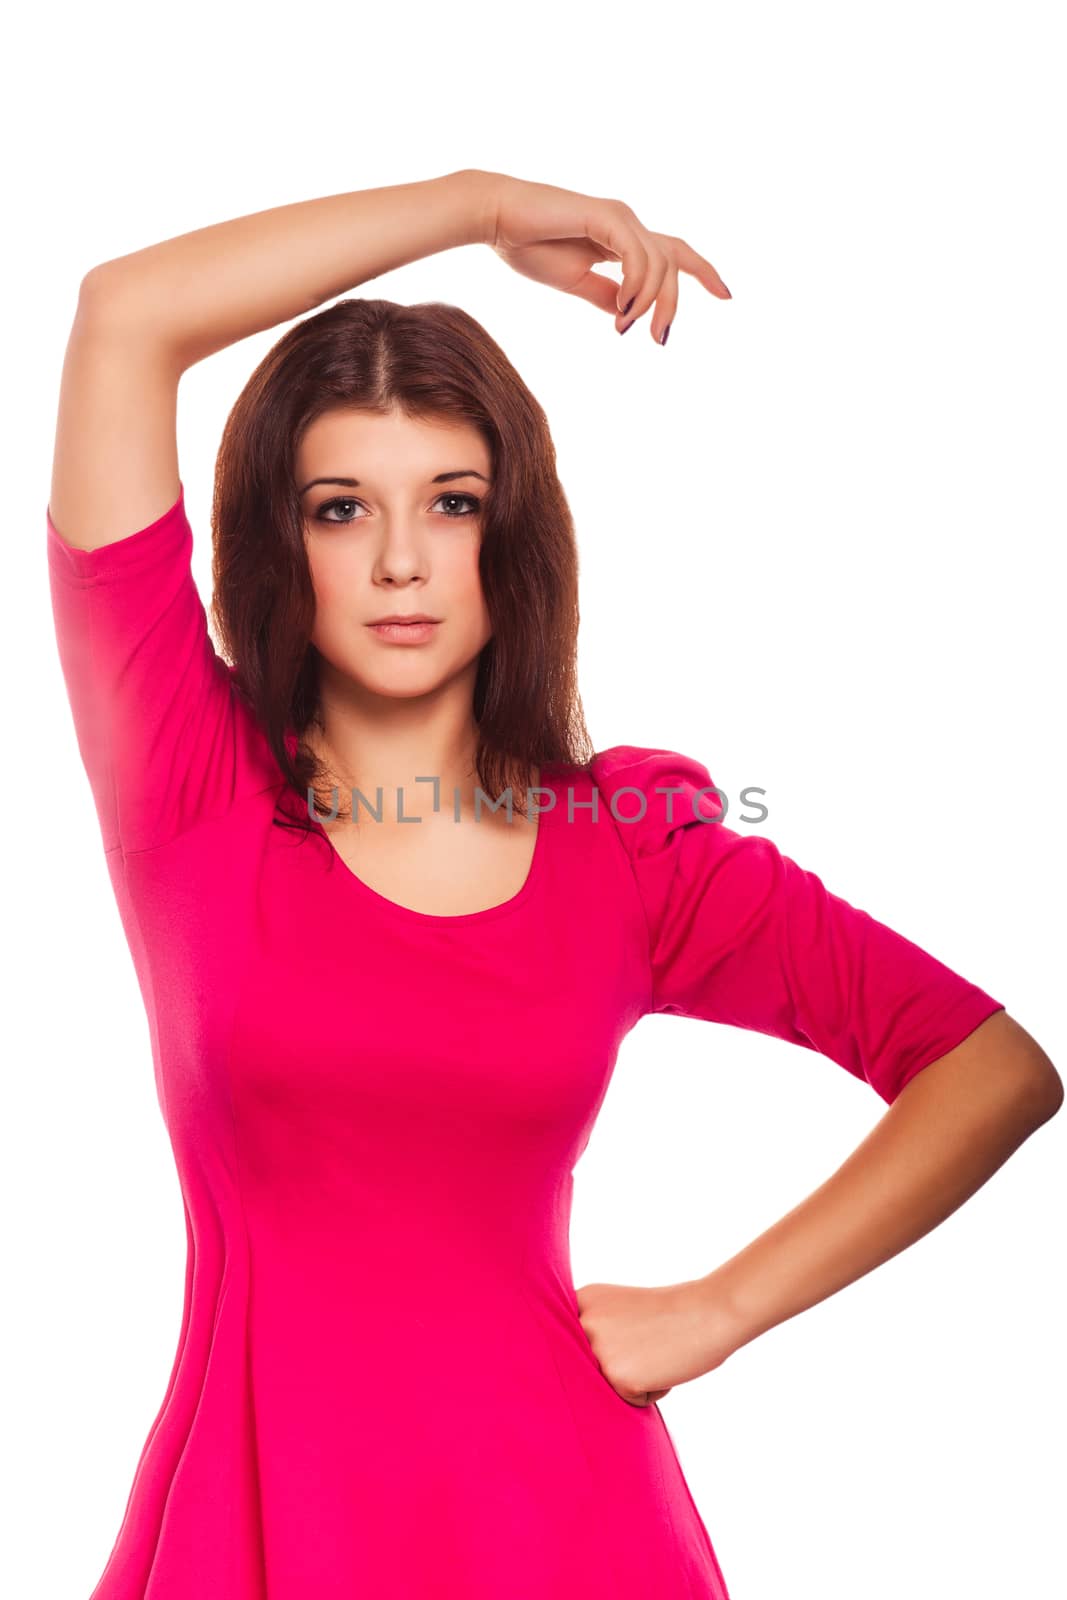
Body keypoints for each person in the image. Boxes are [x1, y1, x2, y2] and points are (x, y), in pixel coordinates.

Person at [46, 167, 1061, 1600]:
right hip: (258, 1524)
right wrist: (476, 204)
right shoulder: (191, 784)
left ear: (508, 530)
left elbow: (991, 1066)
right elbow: (123, 316)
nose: (402, 560)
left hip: (569, 1529)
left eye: (450, 502)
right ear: (285, 544)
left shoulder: (629, 850)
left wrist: (717, 1312)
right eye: (341, 509)